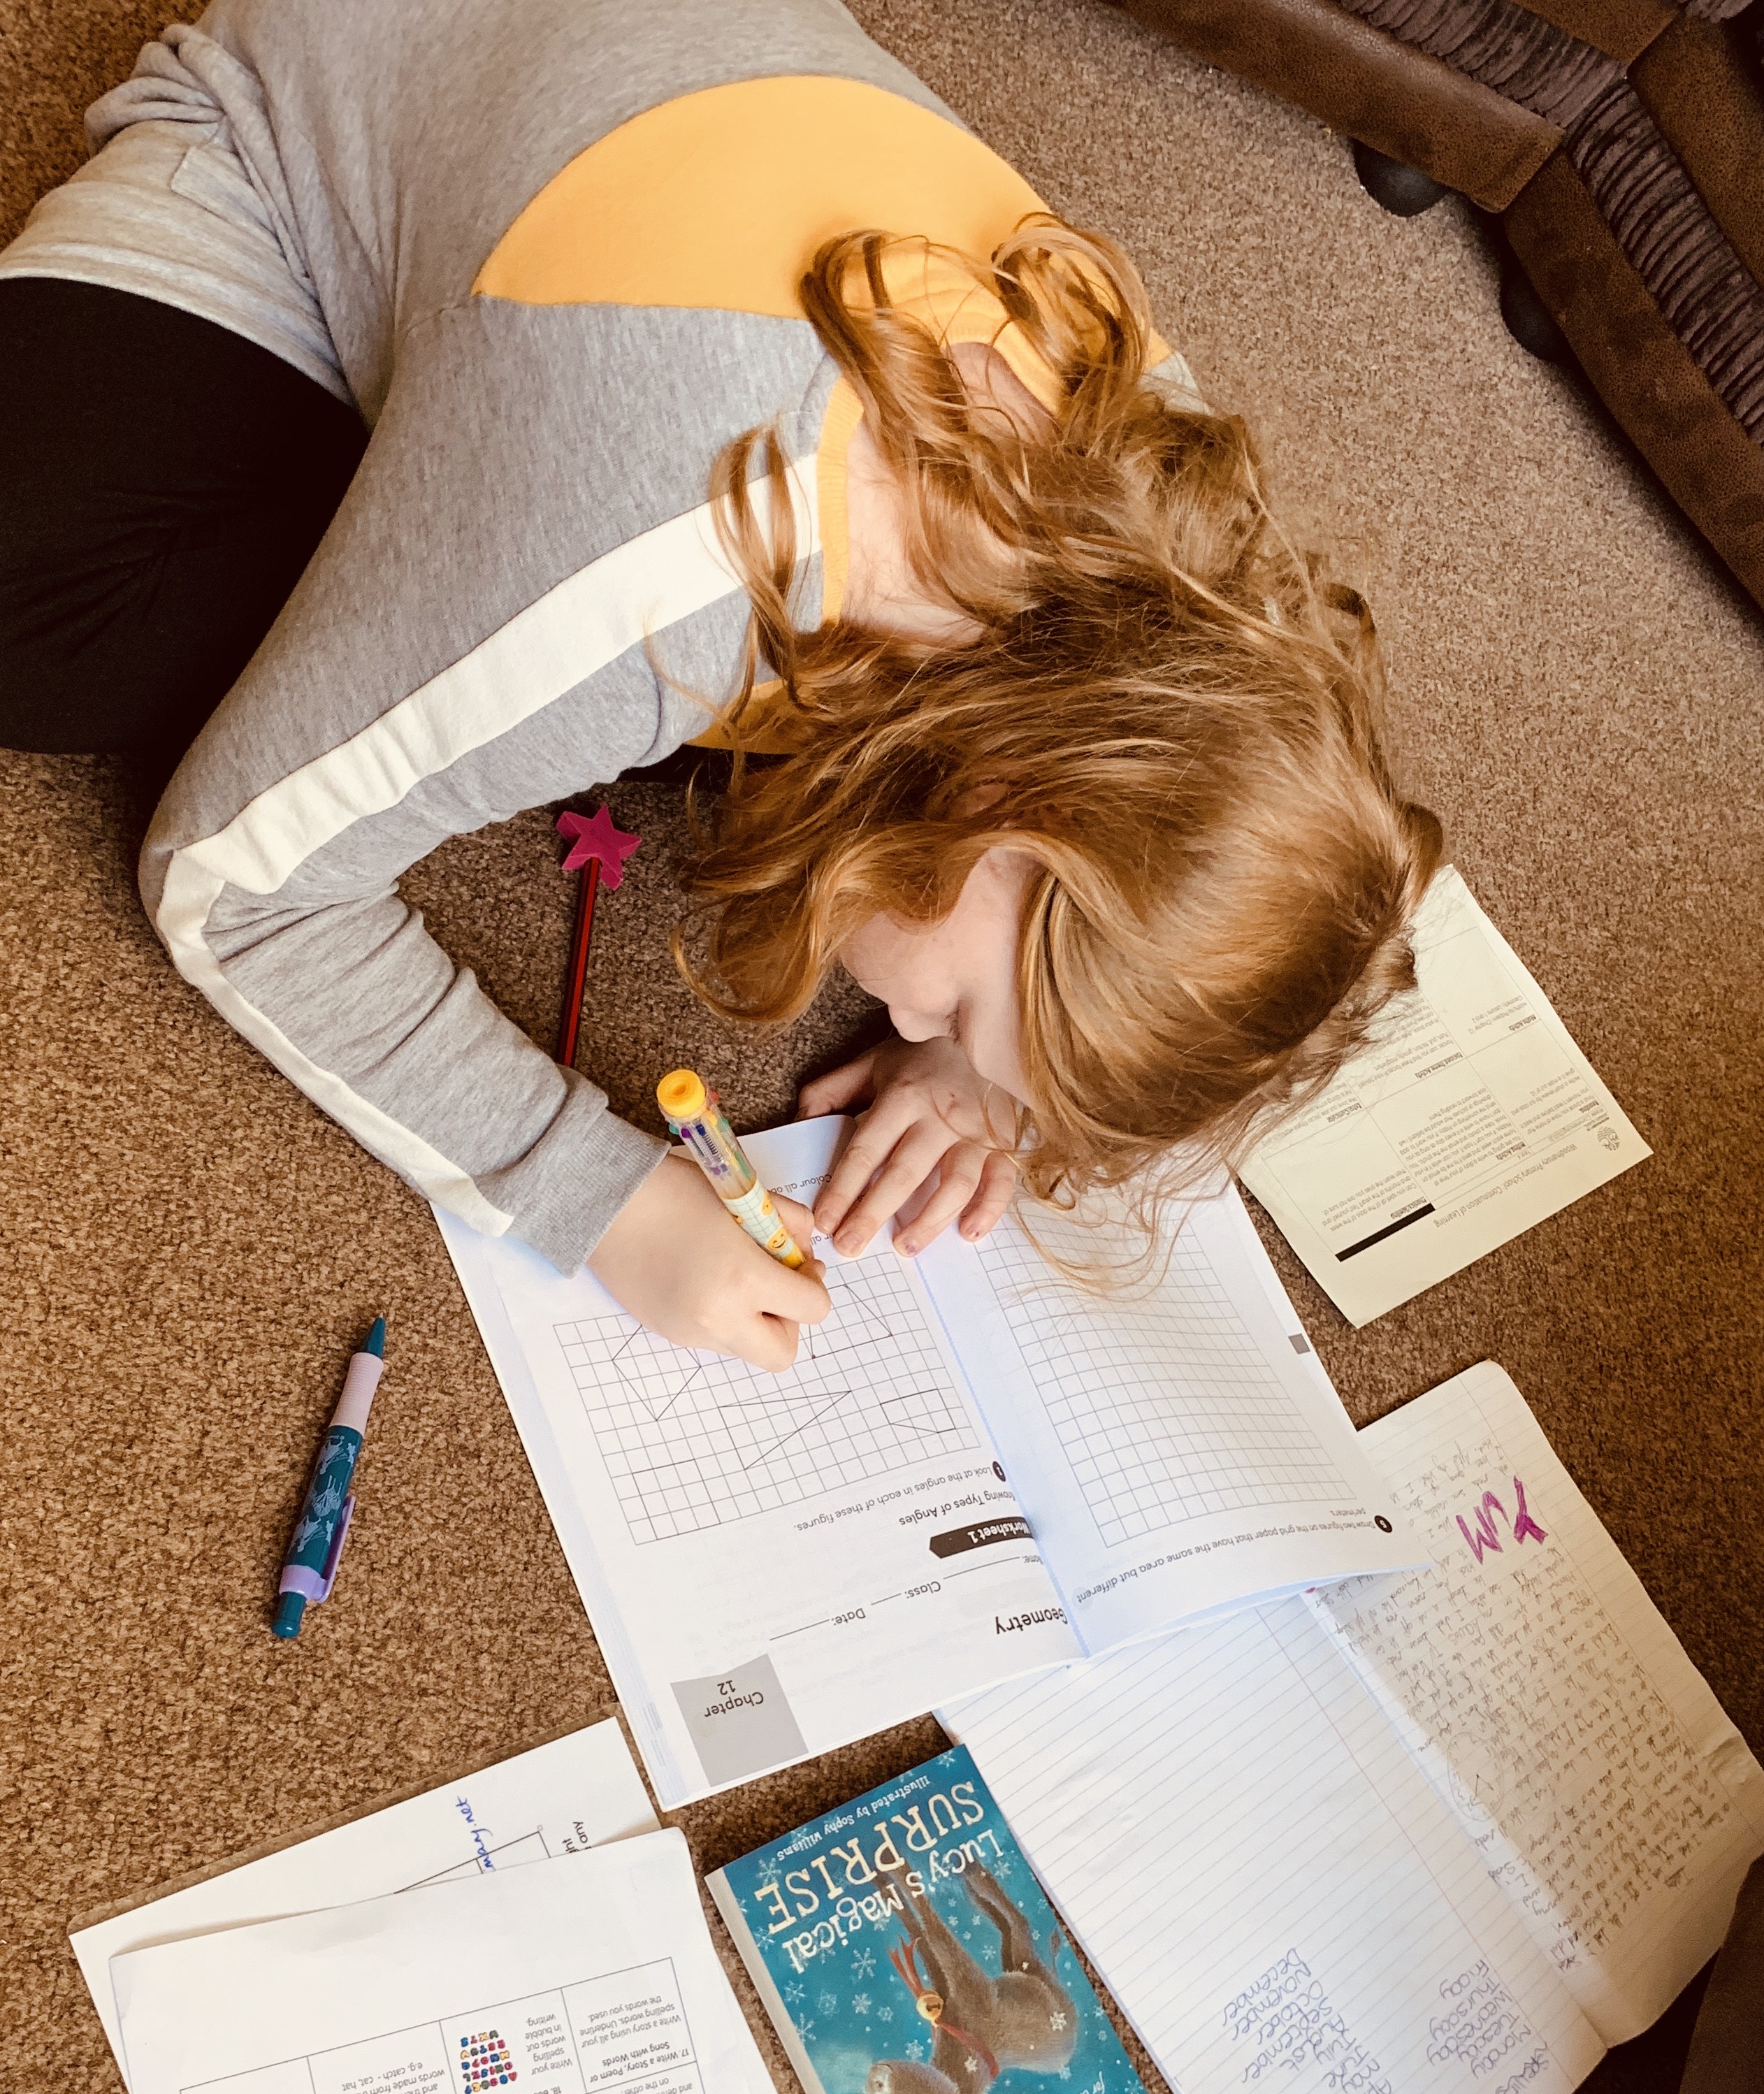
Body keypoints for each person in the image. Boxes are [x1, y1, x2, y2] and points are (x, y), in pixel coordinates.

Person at [0, 0, 1439, 1371]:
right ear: (1012, 809)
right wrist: (597, 1199)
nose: (917, 1034)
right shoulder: (692, 565)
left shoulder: (1190, 541)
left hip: (631, 188)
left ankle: (484, 490)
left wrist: (989, 1074)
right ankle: (474, 496)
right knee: (46, 631)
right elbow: (237, 886)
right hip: (310, 115)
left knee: (586, 652)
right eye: (956, 1017)